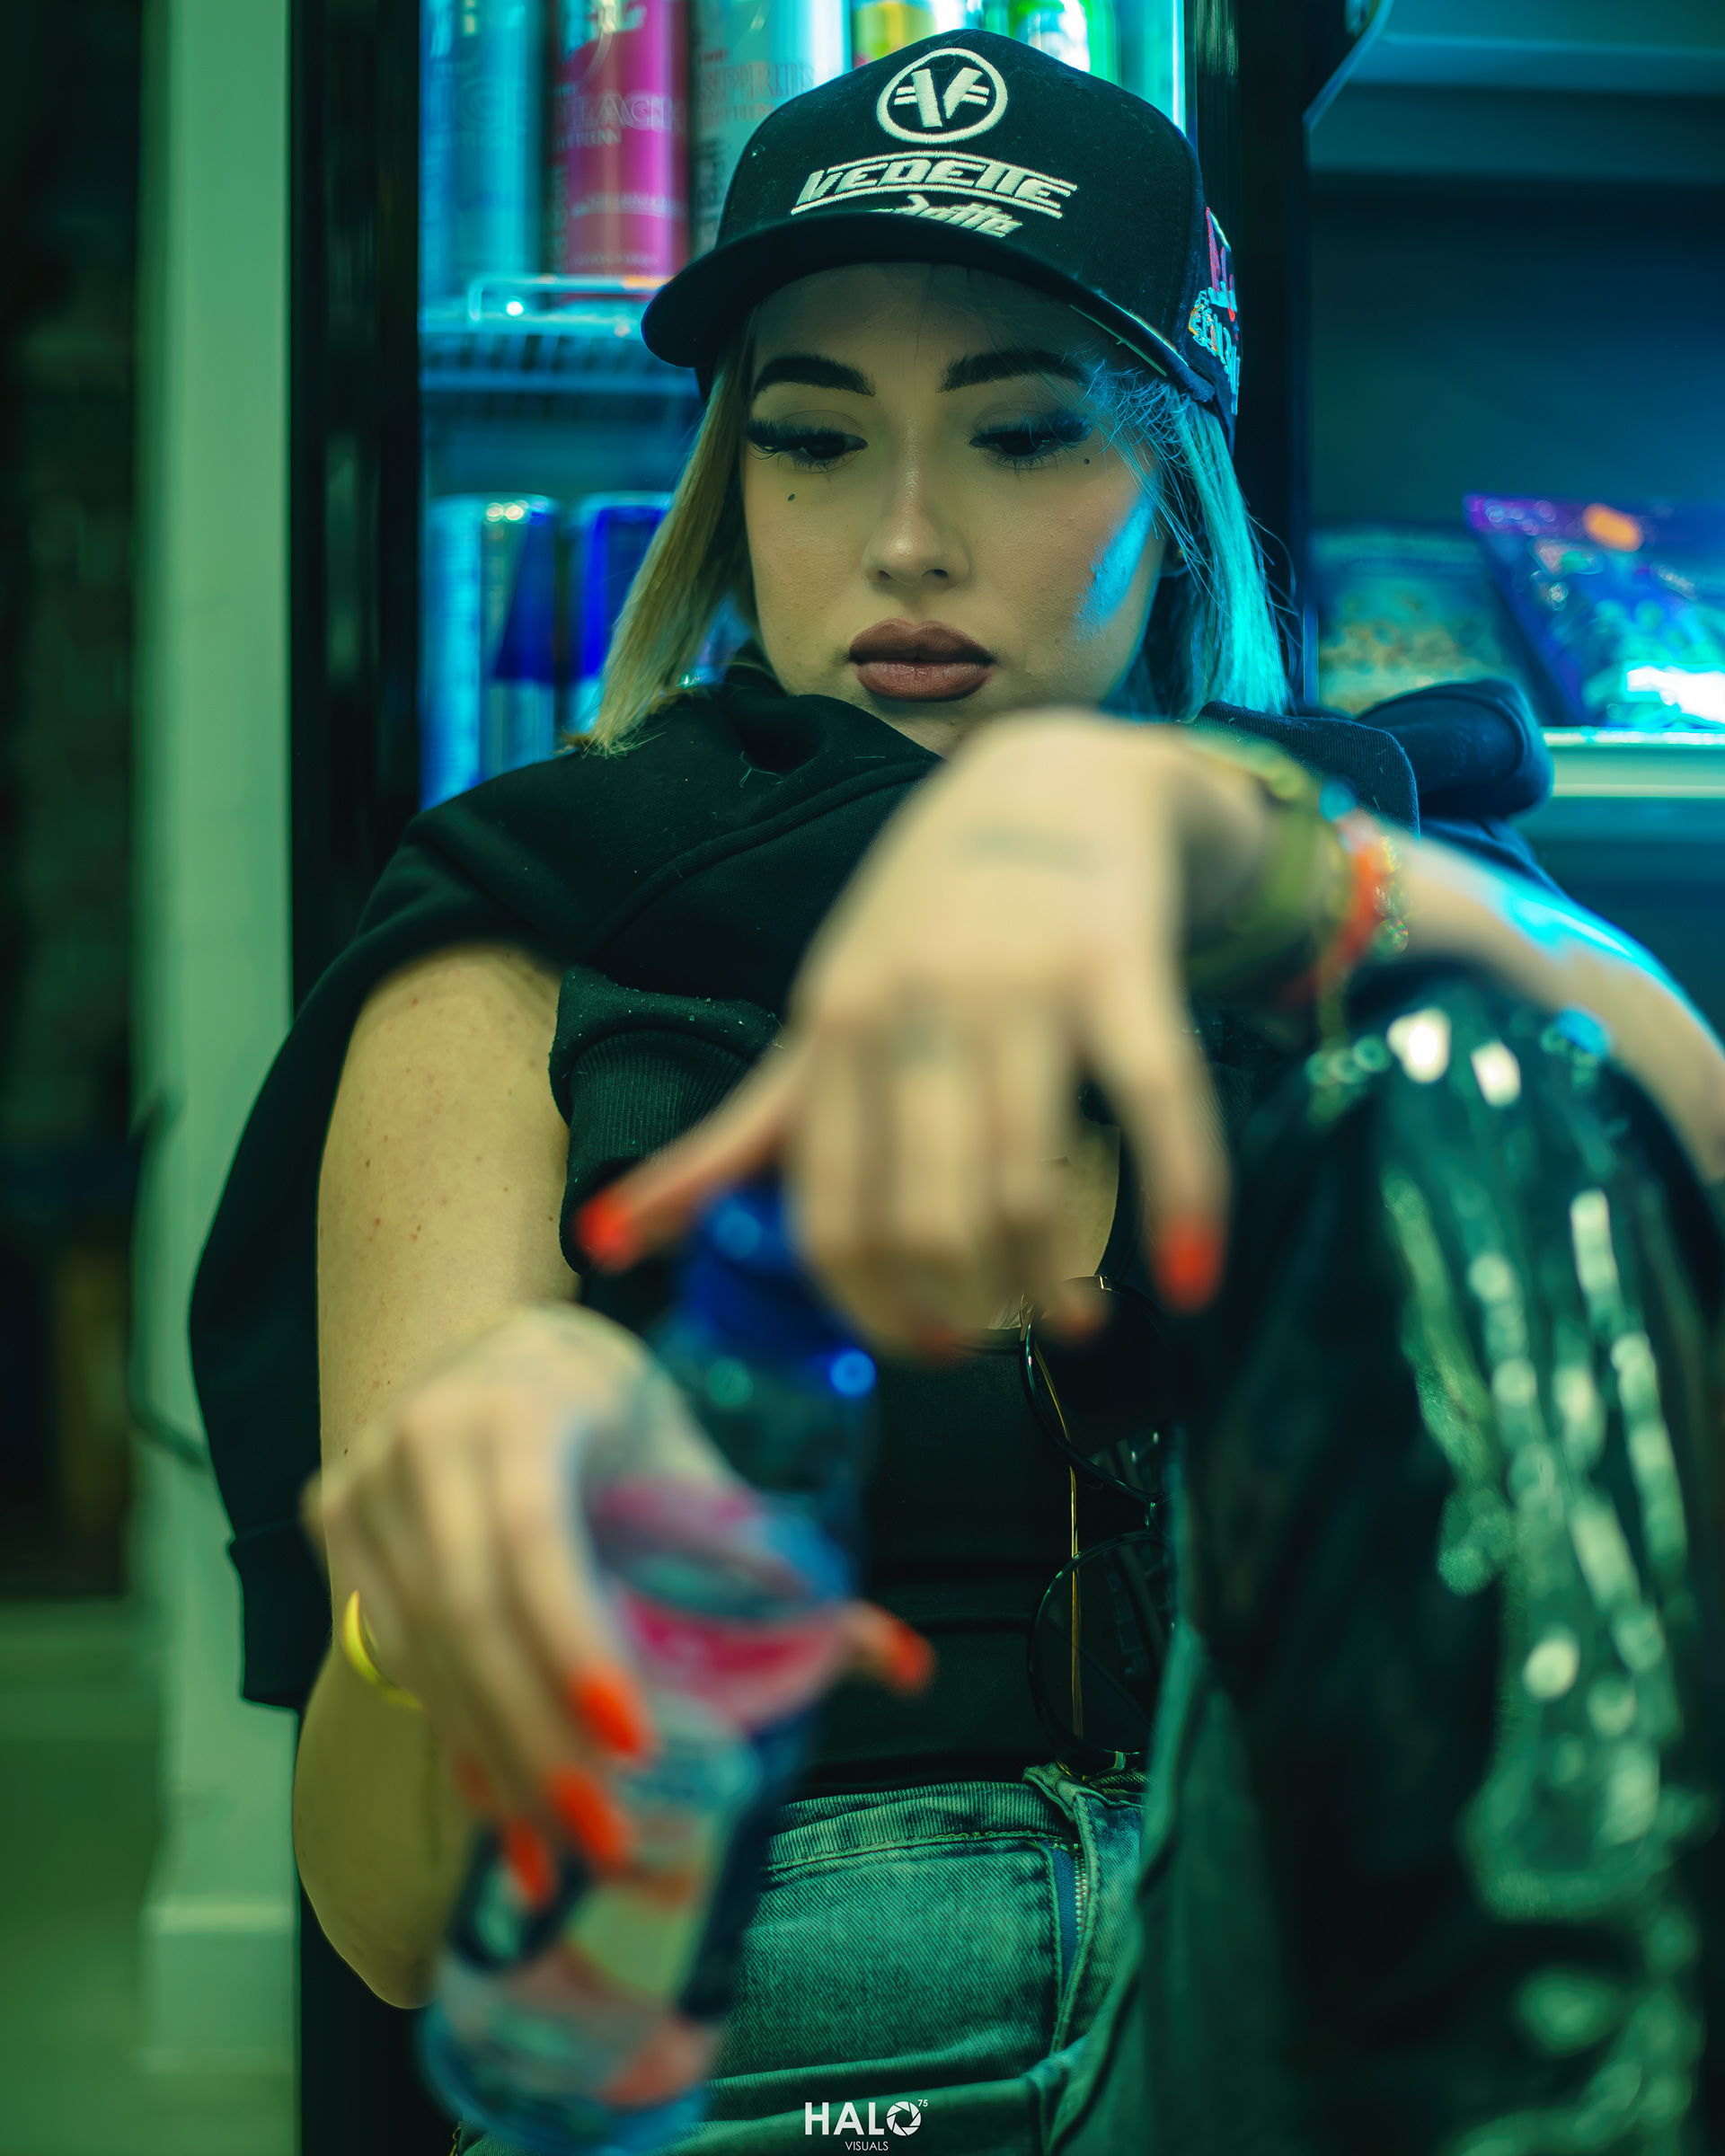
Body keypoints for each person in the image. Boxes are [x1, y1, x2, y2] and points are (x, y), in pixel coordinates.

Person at [192, 33, 1725, 2154]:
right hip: (785, 2037)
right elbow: (387, 1922)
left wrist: (1298, 876)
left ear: (1174, 473)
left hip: (1333, 1994)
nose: (905, 541)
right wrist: (454, 1601)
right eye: (815, 442)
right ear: (734, 483)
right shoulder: (520, 939)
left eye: (1020, 434)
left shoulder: (1384, 887)